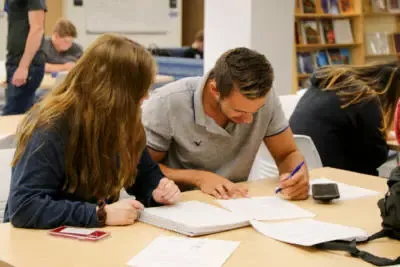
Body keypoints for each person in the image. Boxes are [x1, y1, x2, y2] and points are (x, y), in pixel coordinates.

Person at [4, 34, 180, 229]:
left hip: (93, 238)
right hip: (38, 240)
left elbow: (145, 177)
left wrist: (158, 191)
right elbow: (24, 207)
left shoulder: (123, 122)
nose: (146, 96)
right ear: (114, 91)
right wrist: (99, 214)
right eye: (139, 89)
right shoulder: (52, 126)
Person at [142, 47, 309, 200]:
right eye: (240, 111)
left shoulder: (265, 98)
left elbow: (287, 153)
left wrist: (296, 177)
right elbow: (142, 168)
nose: (249, 120)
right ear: (215, 90)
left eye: (256, 110)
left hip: (235, 202)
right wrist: (199, 178)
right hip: (180, 204)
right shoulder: (168, 102)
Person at [290, 62, 400, 176]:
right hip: (340, 178)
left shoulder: (324, 85)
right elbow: (376, 156)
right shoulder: (363, 96)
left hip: (302, 173)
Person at [3, 0, 46, 115]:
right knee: (18, 114)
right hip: (14, 61)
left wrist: (23, 67)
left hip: (26, 65)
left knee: (11, 116)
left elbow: (37, 29)